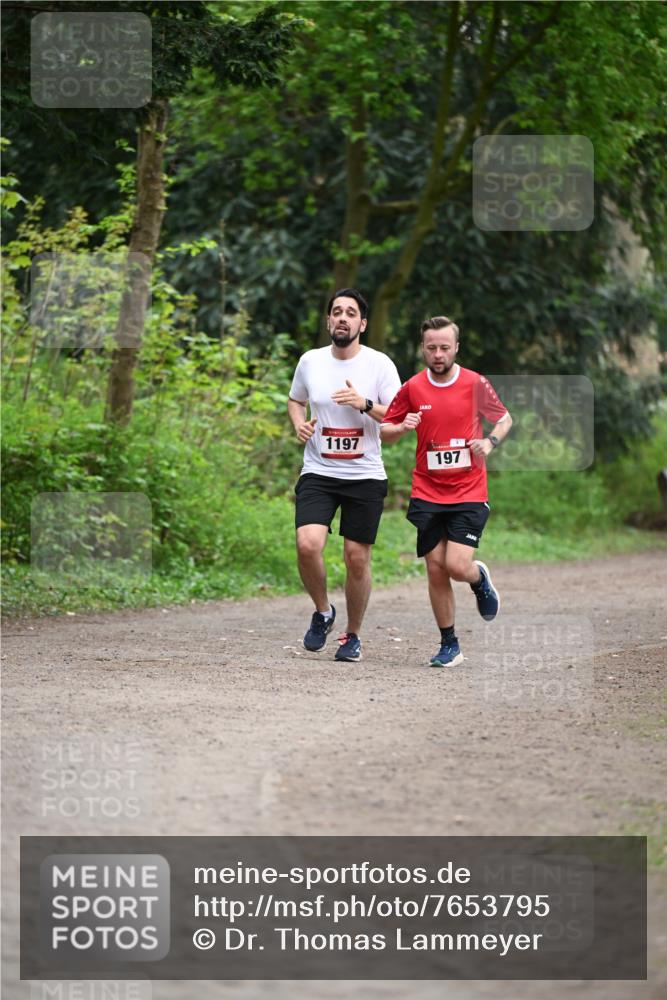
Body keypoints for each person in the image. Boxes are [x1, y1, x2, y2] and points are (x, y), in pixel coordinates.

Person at [381, 316, 512, 667]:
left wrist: (489, 440)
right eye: (431, 348)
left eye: (444, 347)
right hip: (427, 489)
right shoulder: (412, 387)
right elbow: (385, 432)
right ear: (423, 349)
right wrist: (401, 426)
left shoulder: (474, 383)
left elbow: (504, 418)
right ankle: (449, 644)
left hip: (469, 489)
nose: (438, 354)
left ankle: (478, 577)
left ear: (456, 348)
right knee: (435, 568)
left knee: (456, 565)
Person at [288, 288, 402, 662]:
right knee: (308, 544)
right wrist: (299, 424)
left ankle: (352, 635)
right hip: (319, 470)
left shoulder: (380, 365)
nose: (342, 317)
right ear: (328, 321)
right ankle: (323, 612)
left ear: (362, 324)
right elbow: (296, 399)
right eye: (336, 311)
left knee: (356, 558)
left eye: (351, 313)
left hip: (365, 474)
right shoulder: (310, 361)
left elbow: (398, 417)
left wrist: (364, 404)